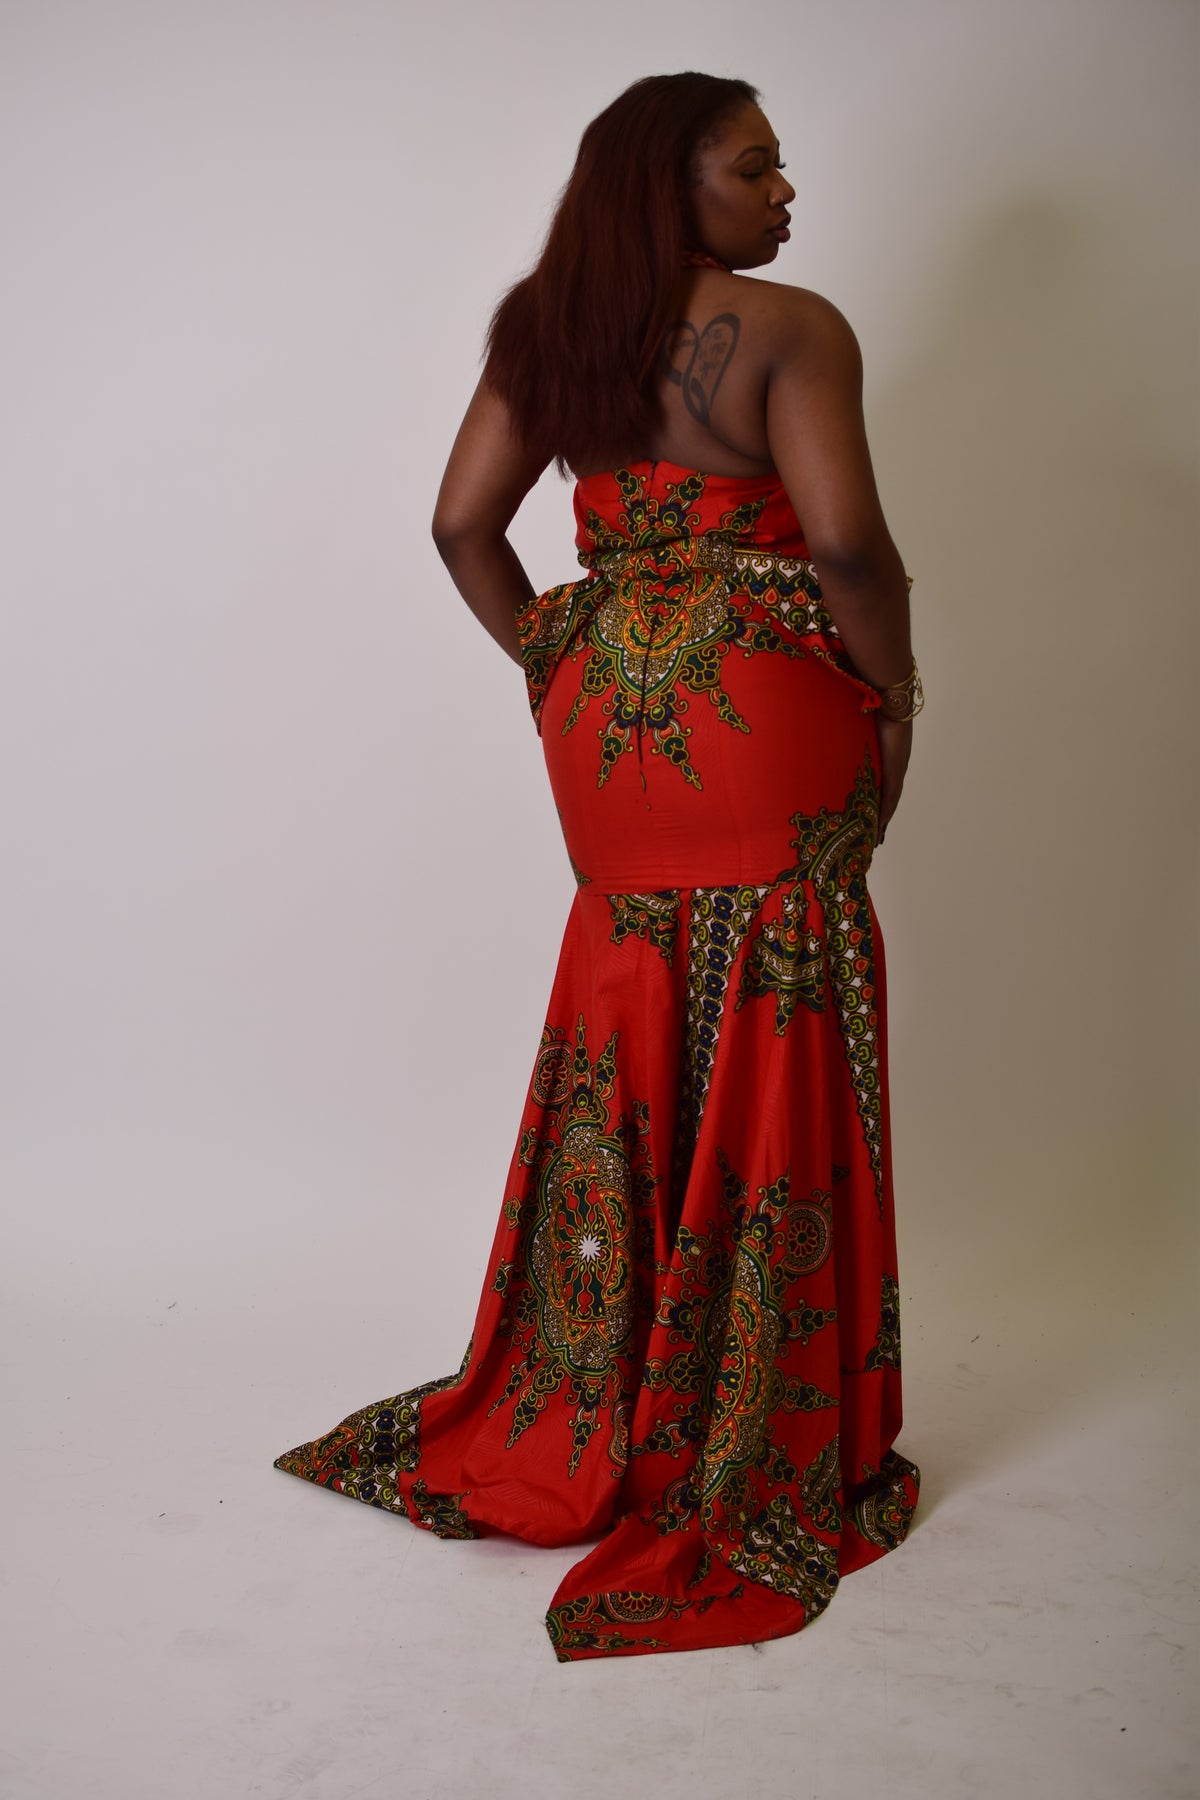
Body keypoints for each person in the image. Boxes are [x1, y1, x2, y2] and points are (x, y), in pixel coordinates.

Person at [273, 70, 924, 1663]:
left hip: (614, 721)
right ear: (671, 183)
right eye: (756, 169)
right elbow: (845, 544)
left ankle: (596, 1394)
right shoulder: (794, 330)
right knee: (782, 980)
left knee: (630, 989)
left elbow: (462, 524)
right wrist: (895, 691)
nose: (786, 195)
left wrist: (559, 656)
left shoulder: (545, 326)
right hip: (762, 698)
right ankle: (752, 1412)